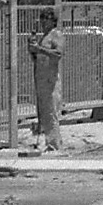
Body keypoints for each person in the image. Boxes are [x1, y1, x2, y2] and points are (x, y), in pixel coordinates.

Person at [27, 9, 65, 151]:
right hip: (40, 78)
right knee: (43, 112)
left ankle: (54, 145)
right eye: (41, 18)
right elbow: (37, 58)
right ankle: (48, 142)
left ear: (52, 20)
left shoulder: (57, 35)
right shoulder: (43, 37)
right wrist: (32, 50)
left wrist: (40, 49)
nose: (42, 22)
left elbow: (58, 54)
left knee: (51, 112)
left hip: (51, 79)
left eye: (45, 19)